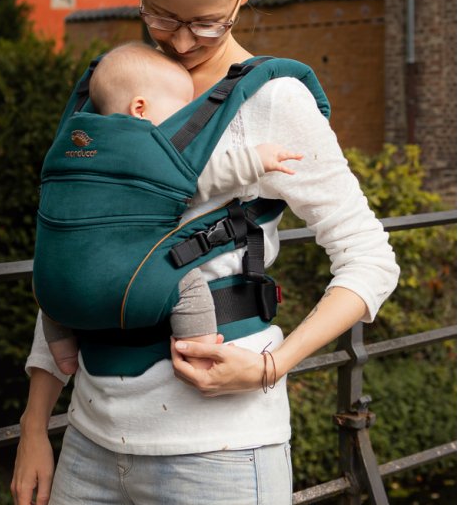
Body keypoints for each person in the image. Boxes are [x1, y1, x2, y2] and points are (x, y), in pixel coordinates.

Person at [12, 0, 400, 505]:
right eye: (161, 16)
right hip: (92, 442)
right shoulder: (115, 83)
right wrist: (36, 424)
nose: (183, 41)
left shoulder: (273, 100)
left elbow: (370, 260)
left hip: (219, 453)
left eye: (206, 22)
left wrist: (273, 365)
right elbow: (80, 248)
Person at [40, 41, 304, 375]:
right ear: (140, 108)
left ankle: (65, 355)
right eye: (180, 108)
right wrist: (255, 160)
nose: (184, 117)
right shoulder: (145, 150)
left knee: (55, 291)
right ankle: (200, 353)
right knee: (188, 285)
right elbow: (199, 181)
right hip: (128, 285)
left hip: (55, 286)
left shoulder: (71, 148)